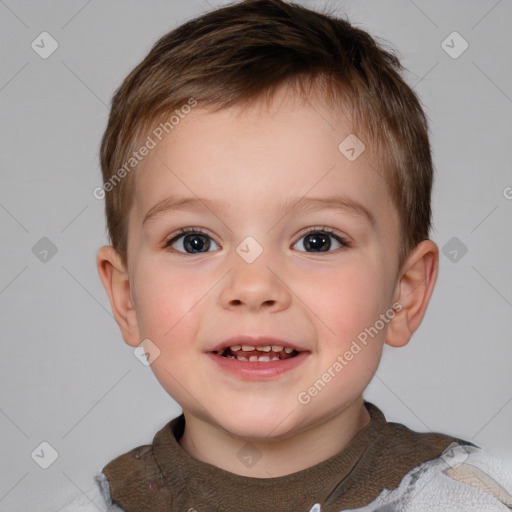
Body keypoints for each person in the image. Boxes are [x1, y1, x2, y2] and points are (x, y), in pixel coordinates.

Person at [59, 0, 512, 510]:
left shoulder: (473, 500)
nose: (253, 288)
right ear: (126, 299)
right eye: (194, 241)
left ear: (403, 294)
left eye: (318, 241)